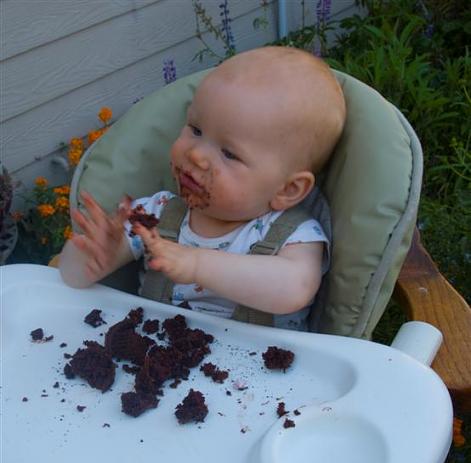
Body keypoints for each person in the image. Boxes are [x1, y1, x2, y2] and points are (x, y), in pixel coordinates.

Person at [59, 46, 346, 330]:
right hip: (153, 359)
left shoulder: (296, 237)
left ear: (288, 190)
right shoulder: (154, 215)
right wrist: (96, 255)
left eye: (230, 154)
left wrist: (197, 265)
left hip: (261, 369)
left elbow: (295, 289)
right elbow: (72, 279)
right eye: (195, 130)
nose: (196, 155)